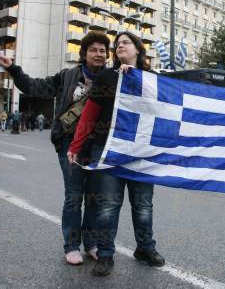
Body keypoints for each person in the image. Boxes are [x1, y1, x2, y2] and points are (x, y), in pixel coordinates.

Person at [0, 31, 110, 265]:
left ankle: (91, 244)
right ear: (84, 54)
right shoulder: (67, 76)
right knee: (74, 196)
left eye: (102, 51)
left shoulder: (113, 78)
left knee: (95, 198)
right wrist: (13, 69)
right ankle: (71, 246)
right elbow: (34, 87)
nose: (98, 54)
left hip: (99, 145)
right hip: (70, 143)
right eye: (93, 50)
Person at [67, 31, 165, 276]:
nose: (120, 46)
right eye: (118, 44)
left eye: (126, 43)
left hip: (142, 152)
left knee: (143, 205)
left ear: (138, 50)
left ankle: (145, 247)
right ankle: (106, 255)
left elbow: (165, 111)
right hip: (109, 150)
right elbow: (89, 114)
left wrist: (135, 80)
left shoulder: (152, 78)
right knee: (108, 206)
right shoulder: (107, 77)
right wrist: (75, 146)